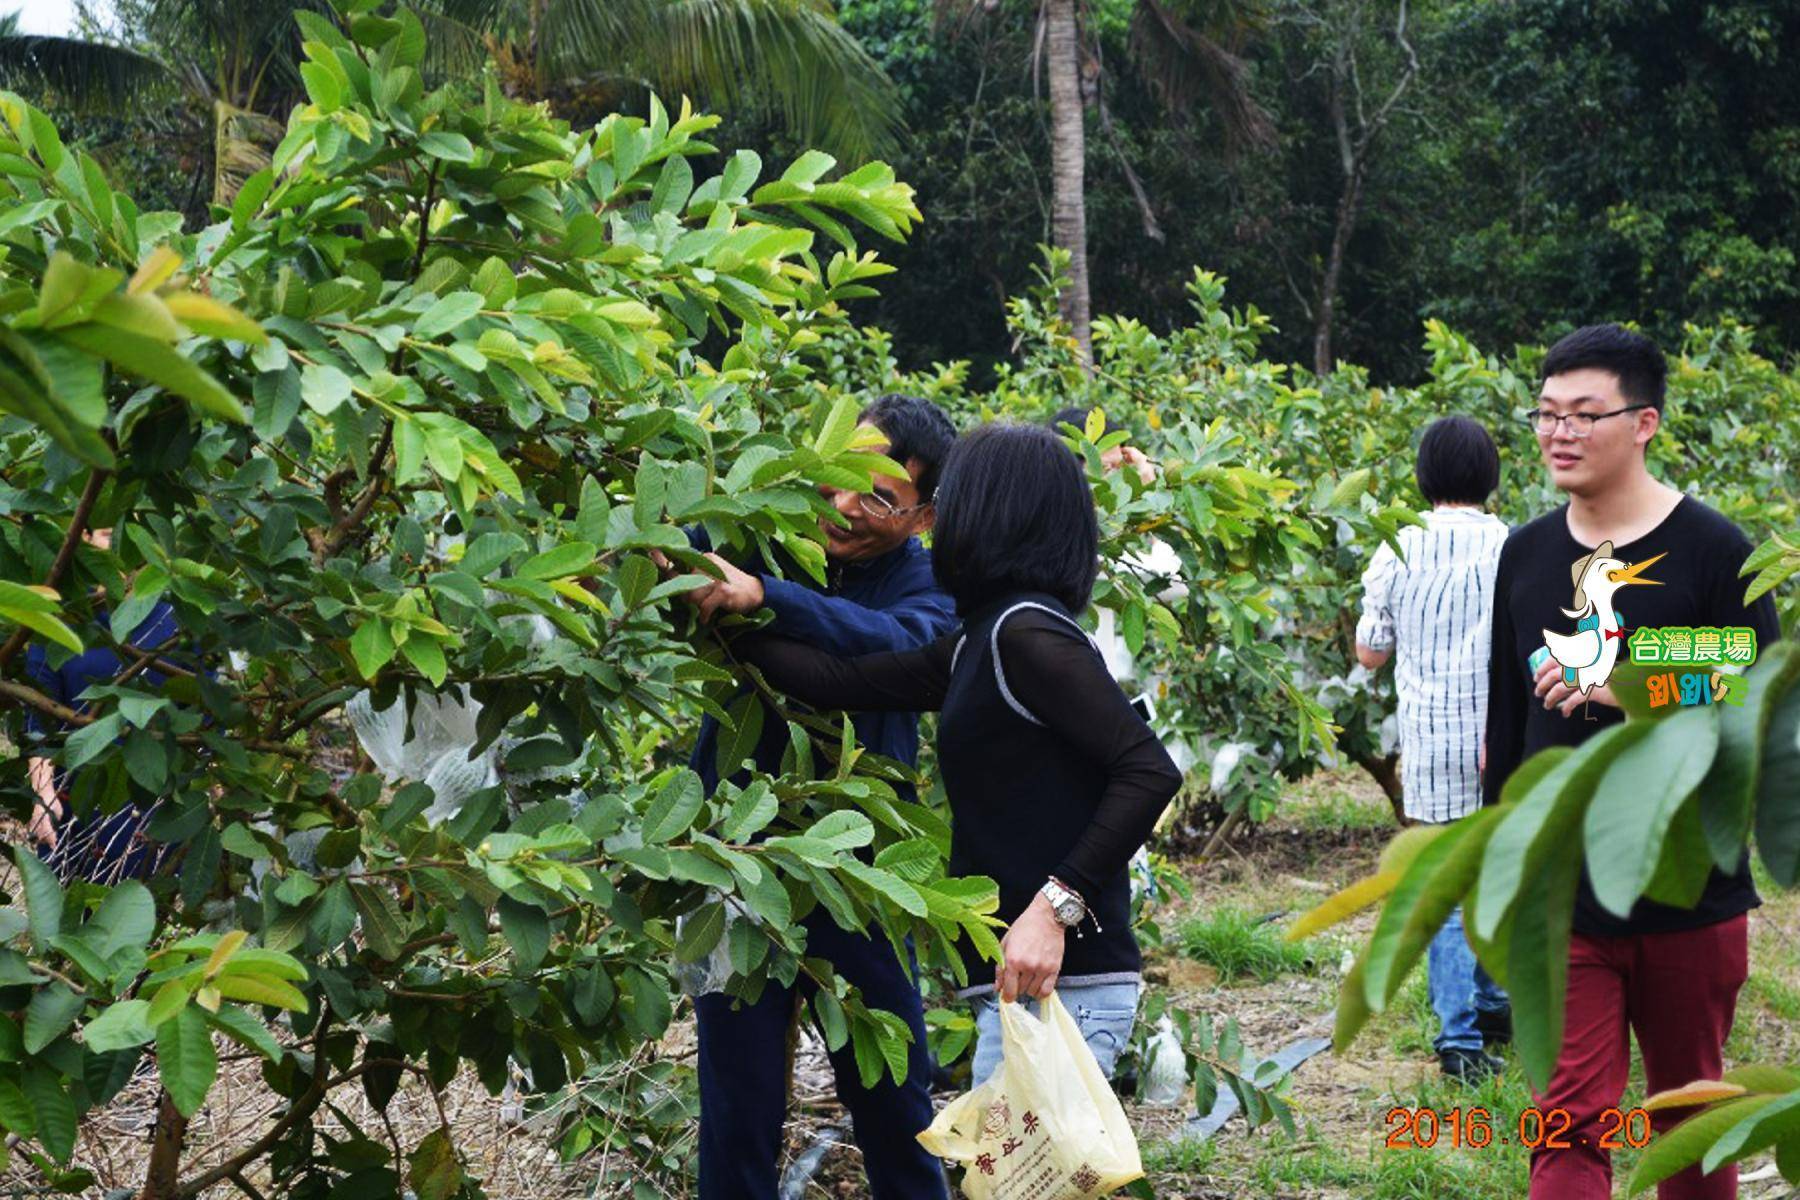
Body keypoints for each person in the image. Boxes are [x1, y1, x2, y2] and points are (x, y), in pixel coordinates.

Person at [731, 423, 1184, 1089]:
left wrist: (1051, 908)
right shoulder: (983, 636)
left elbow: (1149, 770)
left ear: (989, 514)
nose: (938, 522)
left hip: (1064, 983)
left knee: (1025, 1188)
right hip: (1030, 983)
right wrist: (727, 608)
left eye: (951, 502)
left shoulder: (1026, 634)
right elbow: (838, 684)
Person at [1483, 325, 1780, 1200]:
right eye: (1545, 414)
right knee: (1567, 1121)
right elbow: (1509, 722)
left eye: (1584, 414)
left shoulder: (1715, 548)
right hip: (1559, 891)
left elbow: (1754, 684)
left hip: (1688, 888)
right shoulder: (1526, 552)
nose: (1558, 433)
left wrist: (1632, 680)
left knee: (1688, 1127)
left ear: (1644, 421)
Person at [676, 393, 959, 1200]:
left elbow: (897, 643)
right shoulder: (763, 532)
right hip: (736, 862)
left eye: (879, 497)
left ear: (924, 516)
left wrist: (766, 597)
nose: (843, 506)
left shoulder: (929, 584)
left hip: (858, 870)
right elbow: (674, 545)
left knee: (894, 1091)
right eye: (838, 477)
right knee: (737, 1104)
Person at [1353, 415, 1511, 1081]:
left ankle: (1462, 1032)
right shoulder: (1513, 543)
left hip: (1430, 740)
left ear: (1423, 477)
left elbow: (1370, 652)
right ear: (1490, 478)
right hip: (1496, 738)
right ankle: (1489, 1010)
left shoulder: (1398, 546)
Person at [23, 528, 183, 884]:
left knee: (144, 919)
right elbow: (39, 722)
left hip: (151, 801)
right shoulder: (57, 622)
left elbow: (204, 715)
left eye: (126, 534)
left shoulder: (173, 621)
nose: (116, 545)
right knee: (67, 923)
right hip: (76, 796)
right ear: (81, 541)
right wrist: (43, 795)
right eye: (106, 535)